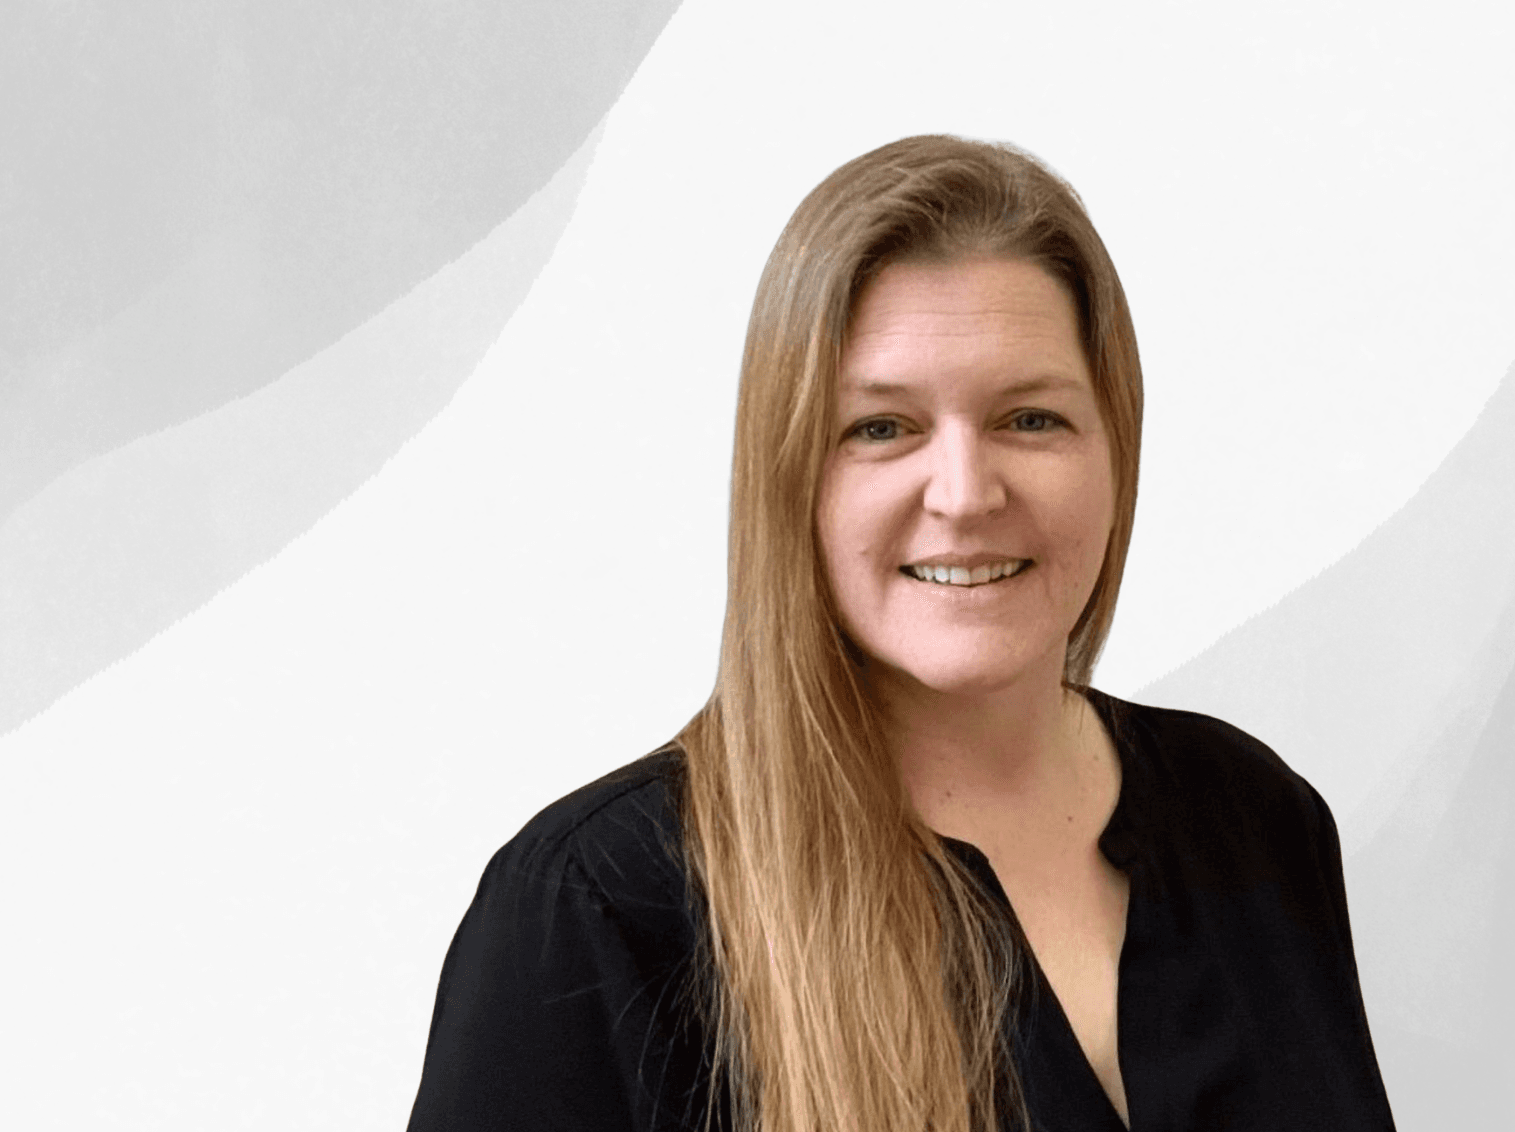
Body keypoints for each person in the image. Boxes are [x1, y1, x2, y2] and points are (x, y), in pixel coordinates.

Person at [406, 137, 1396, 1131]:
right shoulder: (596, 912)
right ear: (790, 473)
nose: (965, 495)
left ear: (1114, 447)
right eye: (881, 428)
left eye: (1030, 419)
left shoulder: (1257, 819)